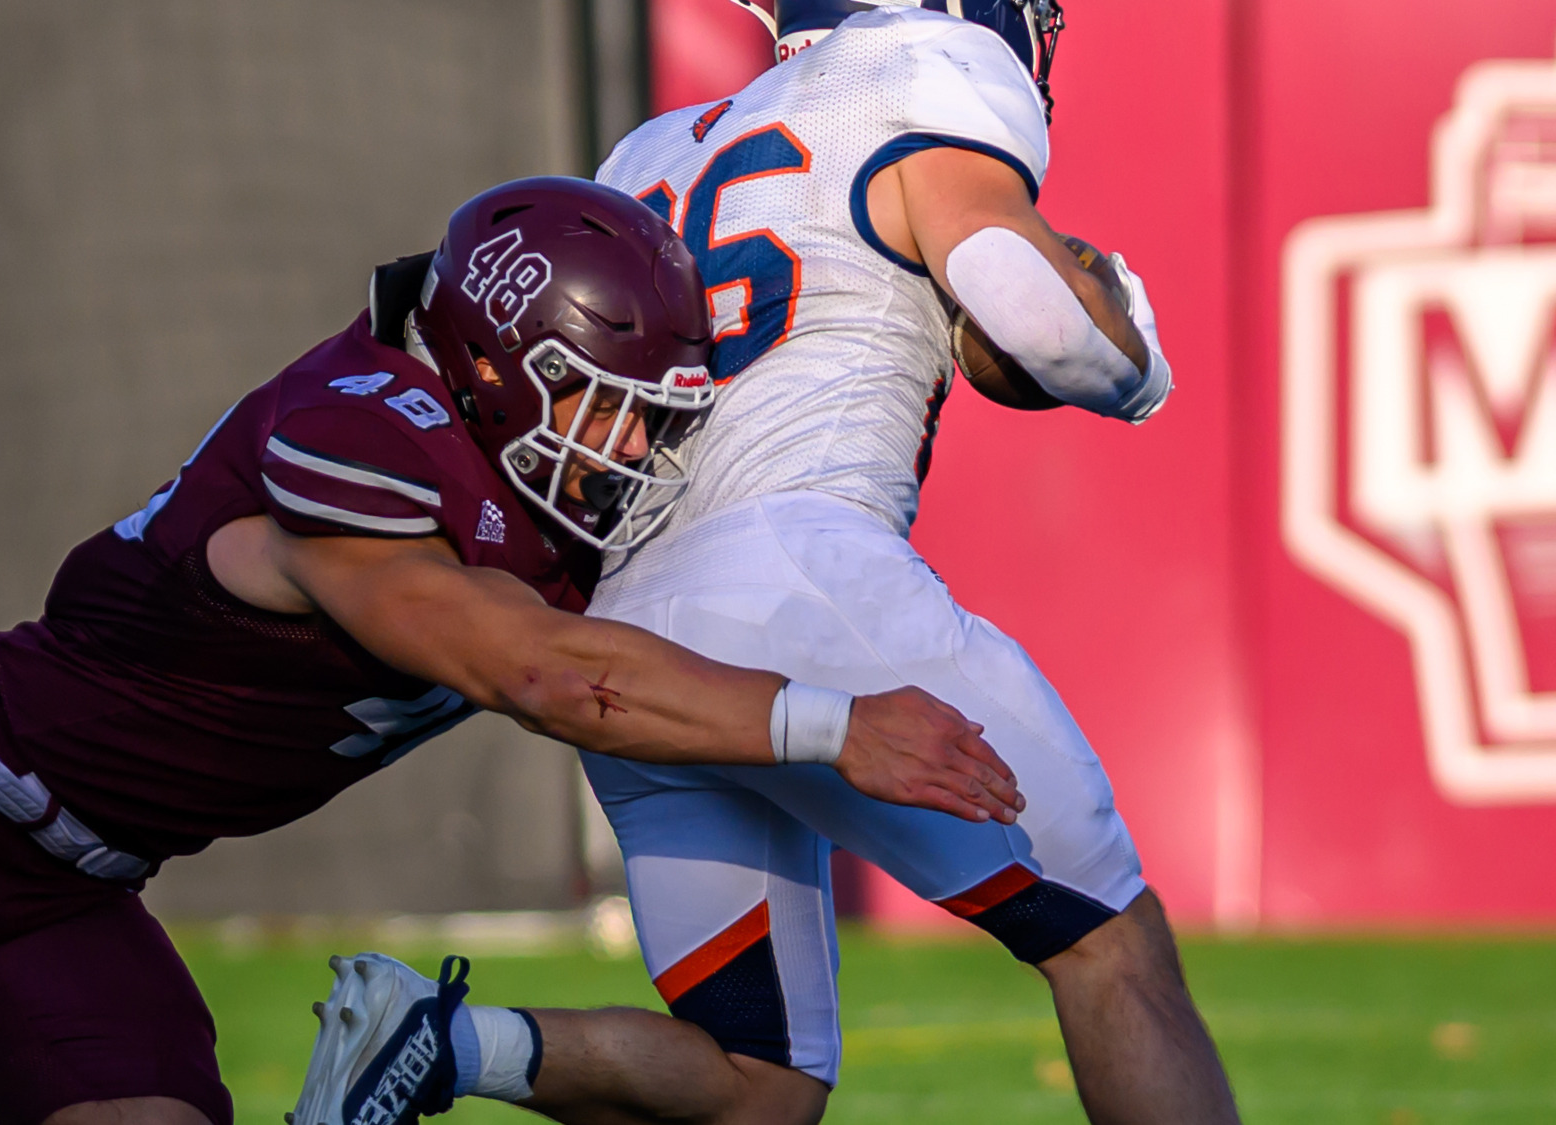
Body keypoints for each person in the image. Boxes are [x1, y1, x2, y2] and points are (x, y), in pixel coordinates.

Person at [0, 176, 1027, 1125]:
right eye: (608, 406)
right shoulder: (362, 447)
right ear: (504, 366)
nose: (635, 447)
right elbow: (543, 674)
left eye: (652, 416)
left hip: (63, 889)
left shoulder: (524, 468)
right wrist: (834, 721)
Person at [297, 4, 1240, 1125]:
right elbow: (1028, 314)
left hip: (633, 631)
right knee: (1106, 945)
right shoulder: (923, 62)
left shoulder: (651, 150)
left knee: (757, 1083)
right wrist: (1131, 358)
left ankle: (444, 1046)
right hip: (803, 576)